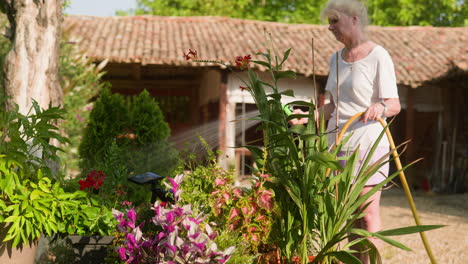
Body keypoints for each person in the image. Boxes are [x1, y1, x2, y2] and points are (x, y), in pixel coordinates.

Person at [291, 0, 401, 263]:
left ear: (354, 18)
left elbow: (394, 104)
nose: (330, 28)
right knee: (346, 215)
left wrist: (379, 107)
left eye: (334, 21)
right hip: (337, 144)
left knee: (367, 213)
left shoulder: (378, 55)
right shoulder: (335, 59)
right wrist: (307, 119)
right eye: (329, 22)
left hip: (367, 143)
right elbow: (332, 106)